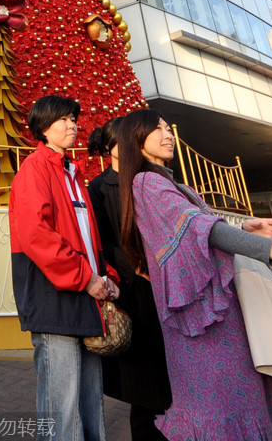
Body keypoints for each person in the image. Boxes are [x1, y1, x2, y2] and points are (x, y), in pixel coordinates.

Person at [118, 109, 272, 441]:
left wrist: (245, 229)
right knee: (220, 403)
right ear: (136, 139)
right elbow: (200, 228)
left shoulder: (172, 184)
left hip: (212, 312)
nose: (168, 135)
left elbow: (205, 231)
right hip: (199, 319)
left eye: (168, 129)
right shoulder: (146, 182)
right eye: (157, 129)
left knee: (233, 398)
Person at [9, 95, 120, 441]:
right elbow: (35, 234)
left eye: (73, 119)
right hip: (53, 298)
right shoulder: (34, 169)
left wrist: (108, 278)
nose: (73, 125)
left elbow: (90, 237)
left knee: (89, 399)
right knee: (62, 405)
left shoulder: (73, 173)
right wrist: (86, 278)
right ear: (43, 128)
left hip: (85, 293)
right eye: (64, 120)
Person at [88, 118, 171, 441]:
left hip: (163, 283)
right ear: (111, 147)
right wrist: (133, 265)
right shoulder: (98, 187)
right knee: (145, 384)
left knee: (169, 375)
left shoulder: (146, 179)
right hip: (133, 289)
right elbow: (101, 239)